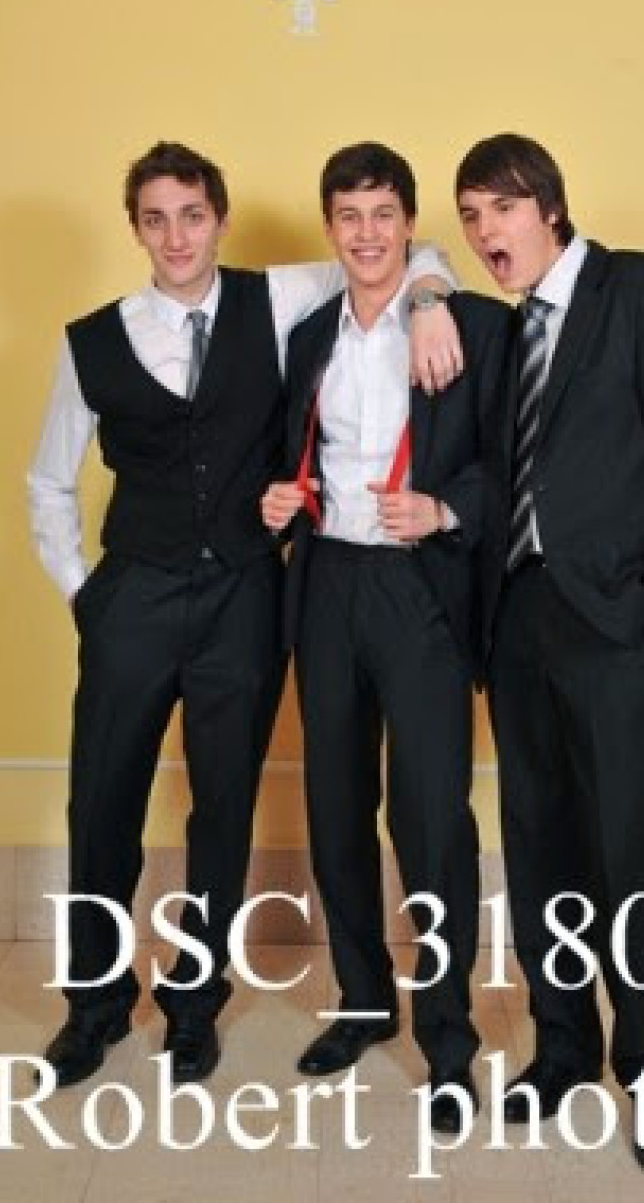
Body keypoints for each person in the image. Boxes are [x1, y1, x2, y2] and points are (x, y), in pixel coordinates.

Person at [27, 140, 461, 1088]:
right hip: (133, 597)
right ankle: (93, 1007)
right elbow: (47, 482)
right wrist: (85, 595)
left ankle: (194, 1007)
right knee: (100, 806)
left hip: (245, 599)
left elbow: (397, 254)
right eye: (155, 219)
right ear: (136, 229)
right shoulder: (91, 340)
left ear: (219, 220)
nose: (176, 236)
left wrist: (430, 299)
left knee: (222, 811)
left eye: (192, 215)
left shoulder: (280, 296)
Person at [455, 132, 644, 1176]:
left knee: (622, 856)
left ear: (548, 206)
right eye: (469, 216)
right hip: (519, 619)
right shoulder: (507, 327)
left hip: (614, 623)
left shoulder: (642, 290)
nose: (483, 231)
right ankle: (564, 1047)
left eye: (499, 208)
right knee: (538, 851)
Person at [261, 141, 511, 1134]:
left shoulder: (467, 326)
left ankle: (448, 1043)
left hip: (420, 589)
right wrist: (274, 499)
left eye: (382, 214)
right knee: (334, 806)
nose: (366, 234)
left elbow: (508, 465)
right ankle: (364, 1002)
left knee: (431, 818)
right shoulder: (305, 334)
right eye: (348, 216)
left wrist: (445, 510)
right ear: (330, 227)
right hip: (325, 582)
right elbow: (280, 447)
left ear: (410, 224)